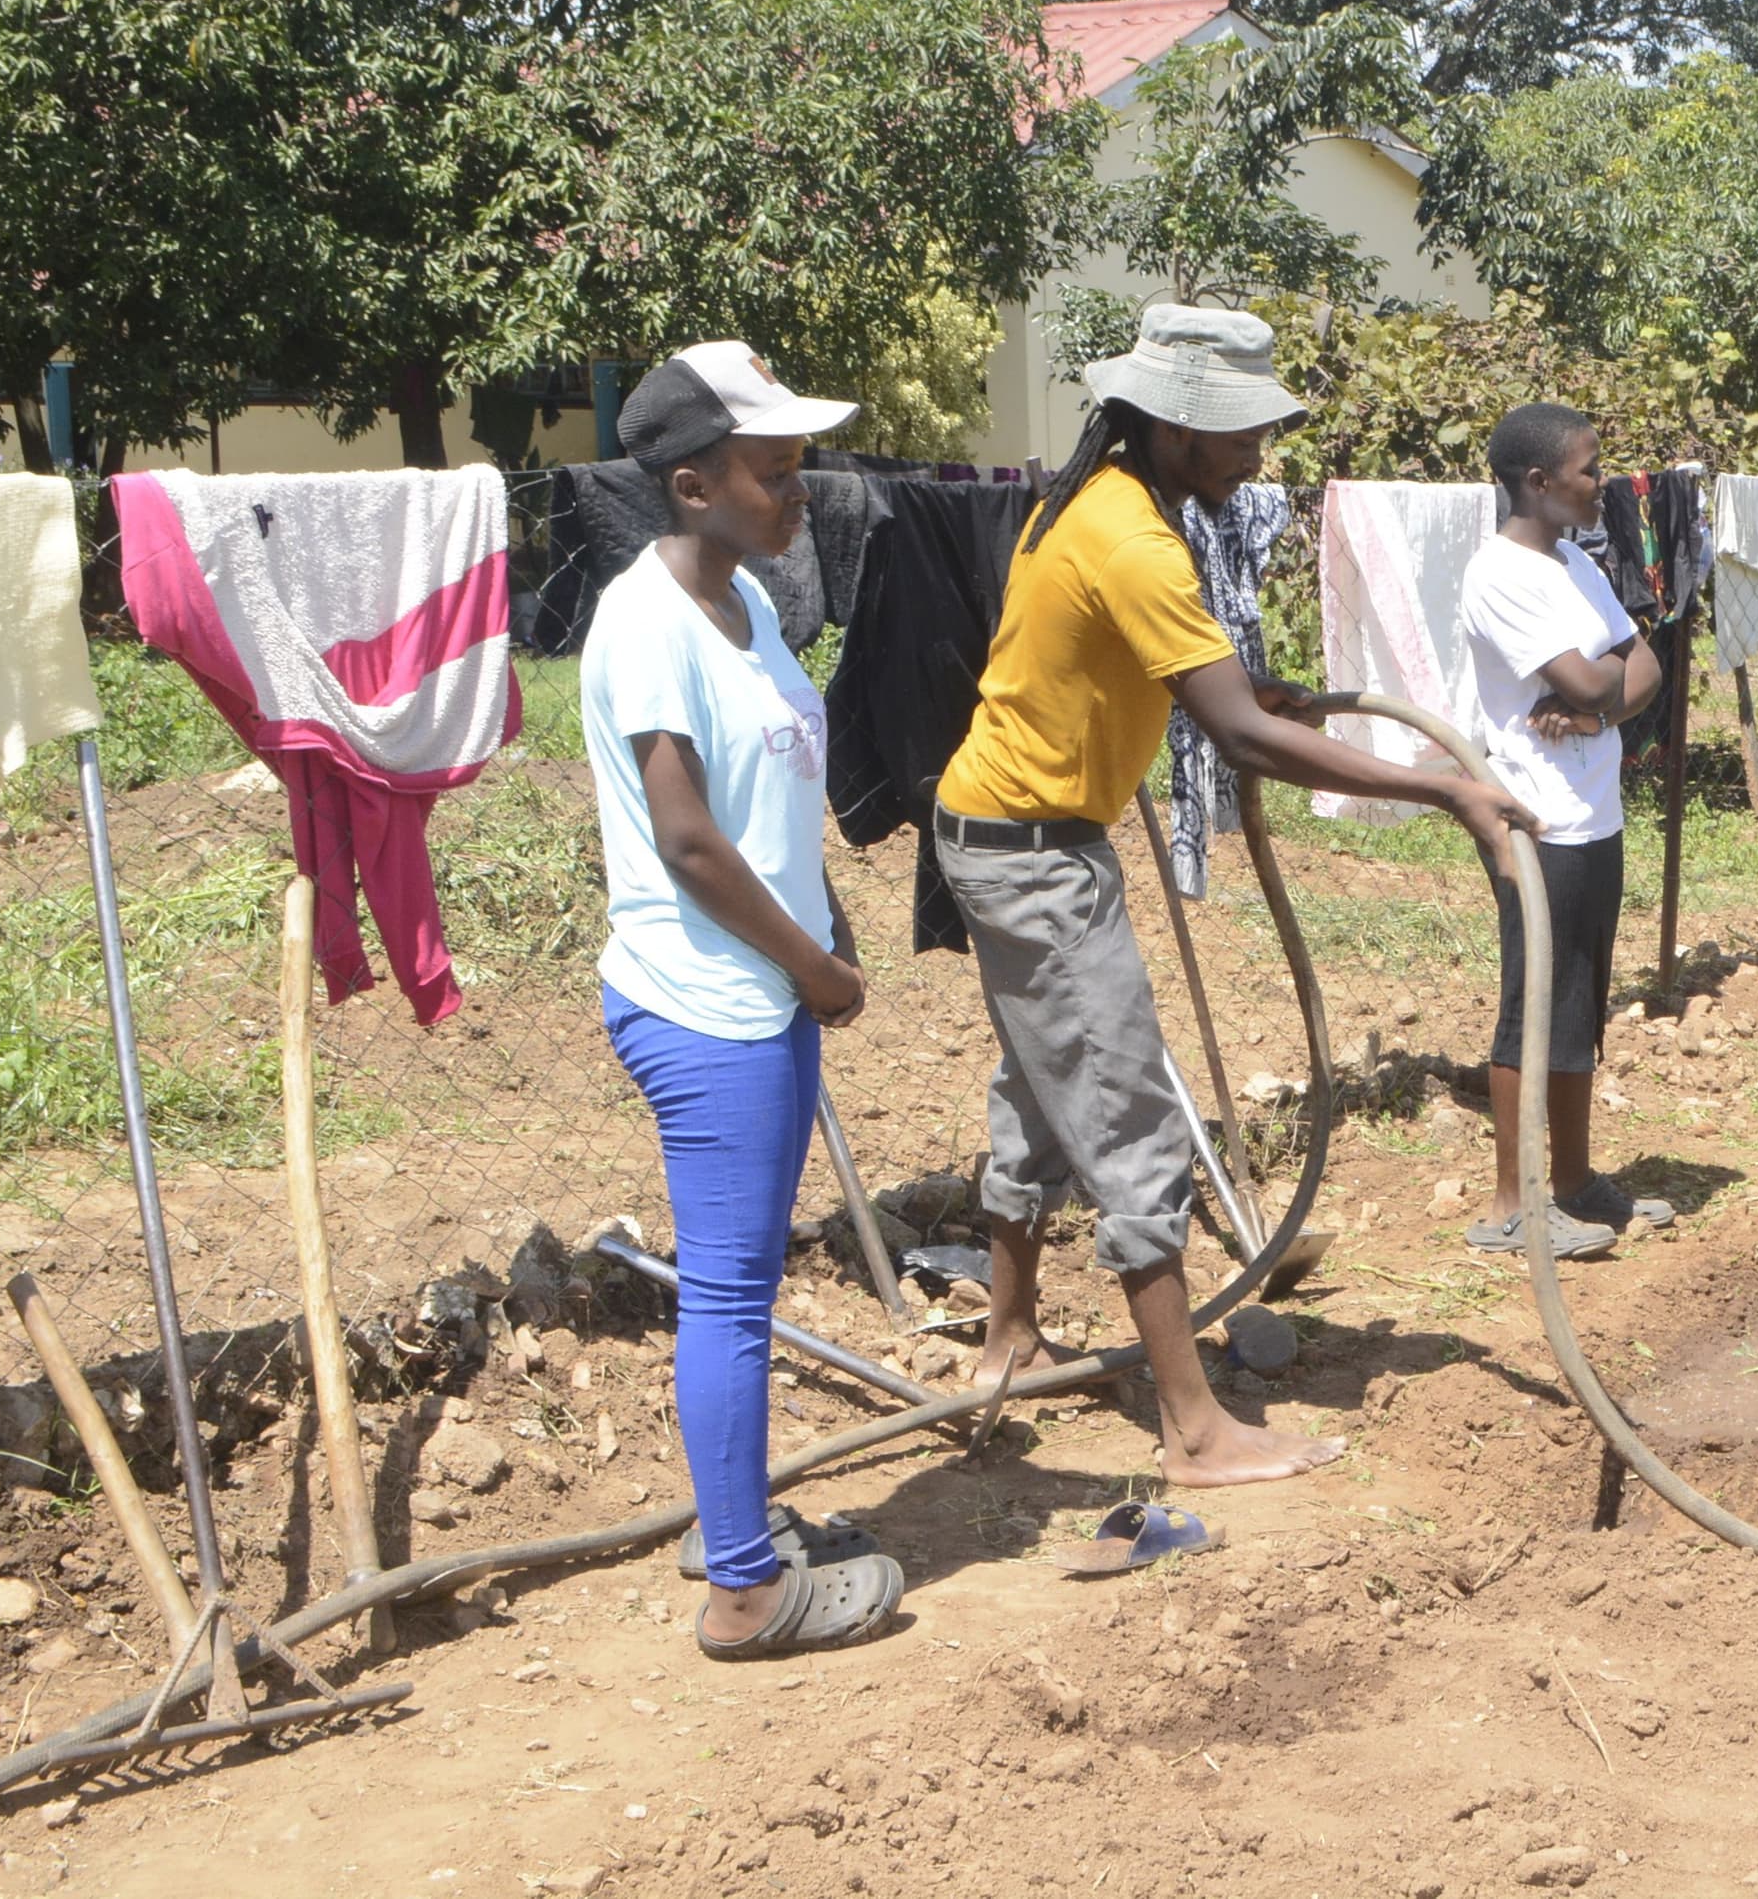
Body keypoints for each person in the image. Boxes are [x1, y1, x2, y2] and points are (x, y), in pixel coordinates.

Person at [937, 304, 1539, 1484]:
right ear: (1173, 429)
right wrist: (1444, 792)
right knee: (1125, 1109)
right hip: (1033, 852)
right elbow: (1240, 740)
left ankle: (1008, 1334)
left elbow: (1178, 682)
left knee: (1041, 1084)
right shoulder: (1135, 540)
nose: (1260, 455)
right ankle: (1194, 1428)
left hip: (1006, 834)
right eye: (1241, 435)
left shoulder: (1099, 503)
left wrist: (1247, 687)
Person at [579, 340, 899, 1660]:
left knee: (739, 1287)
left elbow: (764, 803)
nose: (800, 489)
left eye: (798, 462)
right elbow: (691, 841)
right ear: (695, 483)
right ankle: (747, 1590)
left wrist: (819, 921)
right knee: (728, 1296)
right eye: (775, 469)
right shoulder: (647, 623)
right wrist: (815, 965)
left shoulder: (751, 605)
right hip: (712, 1000)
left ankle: (741, 1536)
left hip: (758, 986)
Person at [1456, 403, 1665, 1257]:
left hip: (1593, 809)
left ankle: (1573, 1181)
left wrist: (1594, 713)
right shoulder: (1500, 574)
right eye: (1588, 468)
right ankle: (1513, 1204)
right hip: (1533, 817)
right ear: (1538, 483)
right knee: (1533, 1002)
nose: (1601, 480)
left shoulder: (1576, 561)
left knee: (1580, 998)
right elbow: (1595, 679)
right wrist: (1601, 697)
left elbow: (1647, 660)